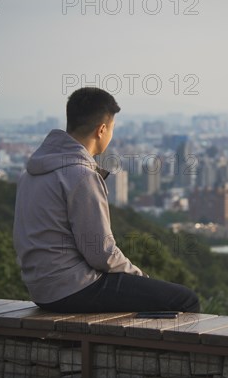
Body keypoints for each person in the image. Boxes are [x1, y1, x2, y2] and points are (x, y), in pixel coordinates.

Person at [13, 87, 200, 313]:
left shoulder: (31, 172)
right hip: (73, 288)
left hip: (40, 290)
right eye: (111, 129)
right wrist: (140, 278)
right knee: (185, 300)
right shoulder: (81, 176)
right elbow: (101, 252)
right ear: (102, 130)